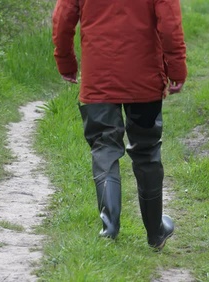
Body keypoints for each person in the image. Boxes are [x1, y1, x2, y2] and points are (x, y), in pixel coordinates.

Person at [52, 0, 187, 250]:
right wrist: (176, 68)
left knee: (104, 147)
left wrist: (65, 61)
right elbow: (170, 25)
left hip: (98, 80)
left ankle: (109, 229)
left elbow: (62, 20)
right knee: (146, 151)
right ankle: (155, 231)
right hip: (144, 81)